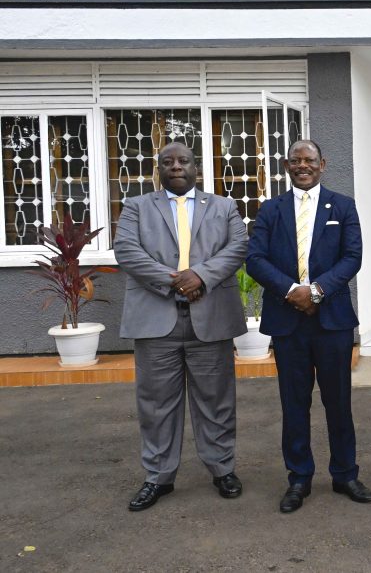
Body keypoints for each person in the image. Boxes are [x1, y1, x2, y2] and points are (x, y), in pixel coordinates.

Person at [113, 142, 248, 512]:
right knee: (156, 404)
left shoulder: (224, 206)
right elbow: (126, 250)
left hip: (211, 316)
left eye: (183, 160)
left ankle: (222, 469)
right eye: (167, 161)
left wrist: (200, 275)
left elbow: (238, 248)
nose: (176, 166)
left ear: (196, 168)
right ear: (158, 169)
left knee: (216, 400)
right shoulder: (136, 207)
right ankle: (158, 477)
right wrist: (175, 280)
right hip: (156, 319)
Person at [246, 139, 371, 513]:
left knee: (339, 403)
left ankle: (345, 474)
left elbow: (353, 257)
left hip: (331, 321)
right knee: (294, 404)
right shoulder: (271, 209)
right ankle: (299, 478)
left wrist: (316, 291)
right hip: (288, 322)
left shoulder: (343, 206)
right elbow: (255, 259)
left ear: (323, 164)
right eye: (296, 160)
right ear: (287, 165)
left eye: (310, 160)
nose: (303, 165)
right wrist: (292, 291)